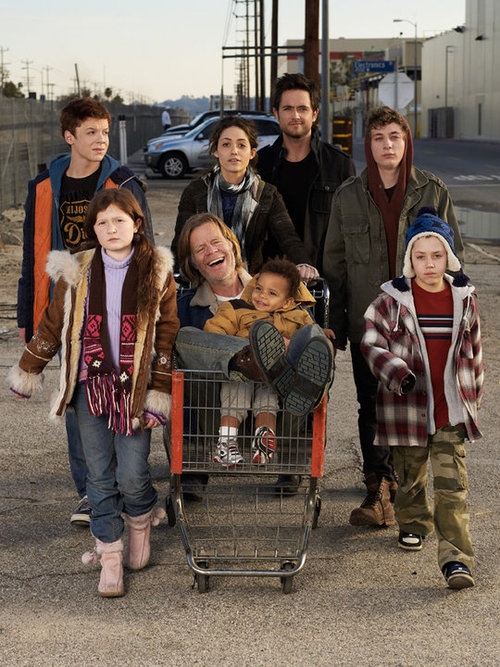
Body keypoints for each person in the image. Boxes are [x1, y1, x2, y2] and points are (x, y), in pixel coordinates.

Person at [9, 189, 179, 598]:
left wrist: (159, 390)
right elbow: (54, 324)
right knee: (98, 475)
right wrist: (28, 369)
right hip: (89, 385)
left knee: (133, 473)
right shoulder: (79, 269)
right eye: (102, 223)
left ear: (136, 224)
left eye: (119, 220)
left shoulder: (157, 270)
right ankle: (109, 555)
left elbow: (166, 335)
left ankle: (140, 521)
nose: (110, 228)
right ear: (94, 230)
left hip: (133, 389)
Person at [323, 105, 465, 528]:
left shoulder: (432, 191)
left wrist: (457, 316)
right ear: (368, 144)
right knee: (372, 405)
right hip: (370, 325)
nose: (388, 145)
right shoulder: (348, 195)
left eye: (395, 137)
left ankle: (409, 489)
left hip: (422, 325)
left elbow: (453, 259)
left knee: (417, 405)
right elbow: (335, 266)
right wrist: (335, 323)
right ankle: (377, 489)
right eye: (380, 137)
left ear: (407, 143)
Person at [17, 96, 154, 527]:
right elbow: (31, 256)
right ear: (69, 136)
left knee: (122, 397)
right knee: (78, 404)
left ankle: (131, 488)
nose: (100, 140)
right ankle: (91, 493)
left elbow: (146, 247)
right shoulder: (44, 186)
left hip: (118, 310)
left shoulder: (123, 180)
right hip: (68, 308)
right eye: (90, 132)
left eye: (105, 132)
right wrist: (29, 317)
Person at [361, 208, 483, 589]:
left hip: (449, 409)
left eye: (437, 255)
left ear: (449, 257)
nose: (429, 264)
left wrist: (471, 399)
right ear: (409, 259)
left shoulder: (463, 299)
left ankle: (456, 560)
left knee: (452, 486)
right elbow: (370, 342)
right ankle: (413, 521)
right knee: (411, 474)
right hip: (407, 406)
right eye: (420, 256)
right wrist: (398, 372)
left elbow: (474, 351)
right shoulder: (391, 300)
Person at [173, 213, 333, 494]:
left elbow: (308, 333)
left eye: (215, 242)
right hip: (218, 412)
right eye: (200, 249)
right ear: (194, 264)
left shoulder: (276, 286)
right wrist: (245, 354)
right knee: (185, 338)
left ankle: (275, 369)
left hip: (281, 411)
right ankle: (256, 360)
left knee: (315, 339)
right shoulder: (186, 307)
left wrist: (300, 341)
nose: (211, 251)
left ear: (233, 246)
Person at [204, 257, 333, 467]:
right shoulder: (235, 308)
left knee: (268, 401)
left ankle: (264, 441)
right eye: (259, 288)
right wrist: (238, 348)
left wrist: (320, 335)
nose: (261, 296)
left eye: (272, 293)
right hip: (242, 369)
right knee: (235, 397)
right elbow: (214, 332)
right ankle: (226, 443)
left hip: (272, 374)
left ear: (288, 302)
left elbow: (308, 338)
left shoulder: (298, 316)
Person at [171, 115, 318, 282]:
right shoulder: (196, 191)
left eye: (241, 145)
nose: (234, 151)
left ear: (252, 153)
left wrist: (303, 263)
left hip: (250, 283)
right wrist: (174, 273)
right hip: (204, 281)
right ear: (216, 151)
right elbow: (181, 241)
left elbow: (287, 236)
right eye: (226, 144)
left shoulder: (267, 194)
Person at [257, 72, 355, 274]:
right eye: (288, 109)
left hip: (322, 277)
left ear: (315, 113)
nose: (295, 116)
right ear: (276, 113)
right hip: (268, 277)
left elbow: (351, 231)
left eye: (302, 108)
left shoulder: (338, 164)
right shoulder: (260, 164)